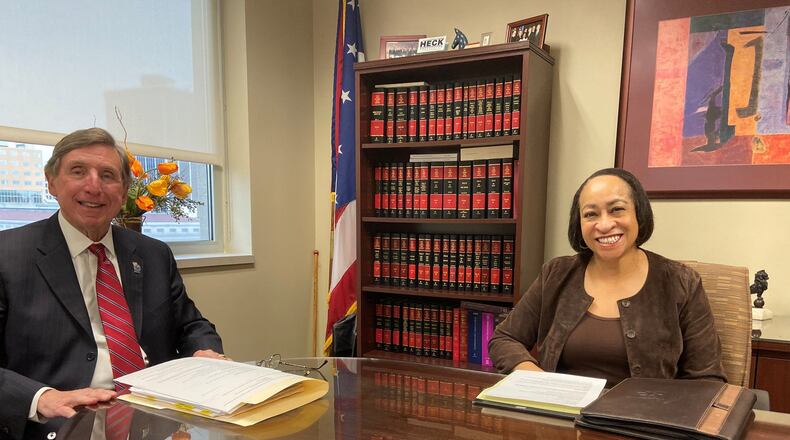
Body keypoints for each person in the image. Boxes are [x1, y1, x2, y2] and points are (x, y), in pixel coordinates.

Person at [0, 128, 225, 439]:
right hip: (58, 423)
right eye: (78, 171)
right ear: (51, 182)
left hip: (154, 417)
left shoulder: (153, 254)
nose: (94, 186)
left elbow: (190, 325)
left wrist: (204, 351)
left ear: (123, 190)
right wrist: (42, 398)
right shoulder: (7, 256)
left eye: (108, 175)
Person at [489, 168, 725, 386]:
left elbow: (706, 379)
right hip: (560, 419)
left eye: (617, 209)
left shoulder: (681, 282)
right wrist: (540, 381)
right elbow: (505, 338)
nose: (604, 225)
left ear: (638, 214)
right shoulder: (556, 274)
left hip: (642, 422)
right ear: (579, 223)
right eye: (591, 214)